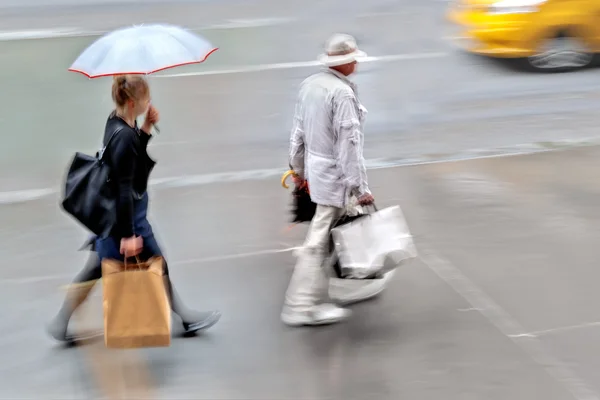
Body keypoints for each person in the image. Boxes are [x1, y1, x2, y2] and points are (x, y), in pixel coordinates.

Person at [48, 75, 221, 343]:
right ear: (132, 102)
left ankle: (61, 321)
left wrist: (147, 126)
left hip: (110, 218)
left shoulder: (116, 122)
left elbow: (128, 160)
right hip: (126, 220)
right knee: (157, 263)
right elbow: (125, 189)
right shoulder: (126, 136)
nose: (149, 102)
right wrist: (129, 235)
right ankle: (185, 318)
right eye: (145, 99)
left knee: (94, 270)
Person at [282, 34, 375, 326]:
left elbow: (298, 134)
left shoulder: (310, 85)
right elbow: (349, 146)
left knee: (334, 230)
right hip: (336, 178)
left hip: (315, 171)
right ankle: (300, 306)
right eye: (353, 58)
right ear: (345, 62)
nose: (357, 62)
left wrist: (298, 170)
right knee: (318, 241)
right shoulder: (343, 94)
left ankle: (347, 284)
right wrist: (361, 188)